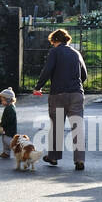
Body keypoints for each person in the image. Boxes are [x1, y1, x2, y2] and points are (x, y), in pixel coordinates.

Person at [34, 28, 88, 170]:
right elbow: (84, 75)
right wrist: (76, 84)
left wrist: (38, 87)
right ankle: (79, 160)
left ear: (55, 40)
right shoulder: (76, 53)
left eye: (52, 42)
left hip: (58, 94)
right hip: (76, 94)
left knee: (57, 127)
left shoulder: (55, 52)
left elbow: (47, 70)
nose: (52, 45)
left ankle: (53, 157)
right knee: (77, 127)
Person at [0, 88, 18, 158]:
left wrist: (1, 124)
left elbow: (8, 120)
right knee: (4, 140)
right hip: (7, 129)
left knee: (8, 141)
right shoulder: (8, 107)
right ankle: (6, 152)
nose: (2, 102)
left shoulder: (10, 108)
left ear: (8, 99)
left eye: (3, 100)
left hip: (10, 130)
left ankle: (17, 150)